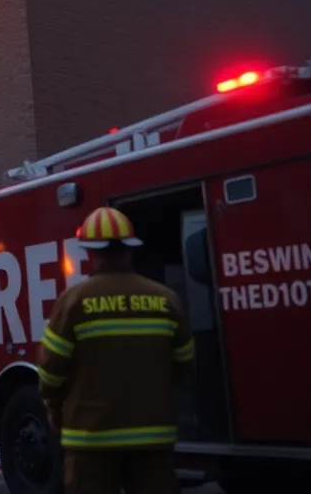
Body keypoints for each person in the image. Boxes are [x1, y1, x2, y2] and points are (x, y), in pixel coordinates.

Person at [39, 206, 196, 494]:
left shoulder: (73, 302)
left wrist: (53, 407)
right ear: (130, 249)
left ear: (91, 252)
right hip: (153, 435)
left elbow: (51, 371)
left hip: (91, 438)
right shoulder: (165, 299)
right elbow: (184, 360)